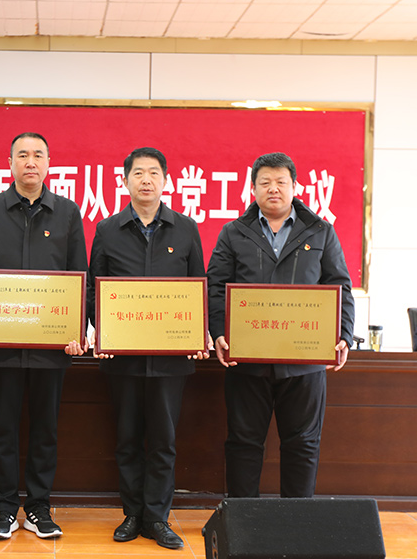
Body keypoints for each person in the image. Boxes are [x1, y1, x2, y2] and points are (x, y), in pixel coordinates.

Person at [0, 132, 87, 540]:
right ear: (10, 162)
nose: (30, 161)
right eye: (22, 155)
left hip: (51, 346)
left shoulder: (67, 212)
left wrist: (77, 329)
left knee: (45, 430)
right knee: (2, 429)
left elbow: (79, 277)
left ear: (49, 163)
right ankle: (3, 509)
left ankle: (38, 508)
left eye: (38, 155)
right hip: (1, 345)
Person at [207, 151, 355, 499]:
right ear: (253, 188)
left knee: (303, 444)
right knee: (243, 442)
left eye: (281, 182)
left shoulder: (320, 231)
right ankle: (243, 520)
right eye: (265, 182)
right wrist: (219, 332)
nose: (273, 188)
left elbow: (339, 285)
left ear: (295, 186)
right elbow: (216, 286)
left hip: (304, 361)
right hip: (247, 359)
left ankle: (297, 521)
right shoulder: (234, 232)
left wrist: (344, 335)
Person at [87, 147, 208, 550]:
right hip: (122, 358)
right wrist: (101, 330)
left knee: (162, 441)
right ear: (125, 181)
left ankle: (157, 517)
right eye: (138, 173)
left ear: (165, 181)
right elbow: (94, 290)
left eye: (154, 173)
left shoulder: (186, 229)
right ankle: (132, 514)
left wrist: (199, 334)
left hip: (170, 361)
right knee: (127, 439)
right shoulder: (107, 230)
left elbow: (198, 288)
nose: (146, 180)